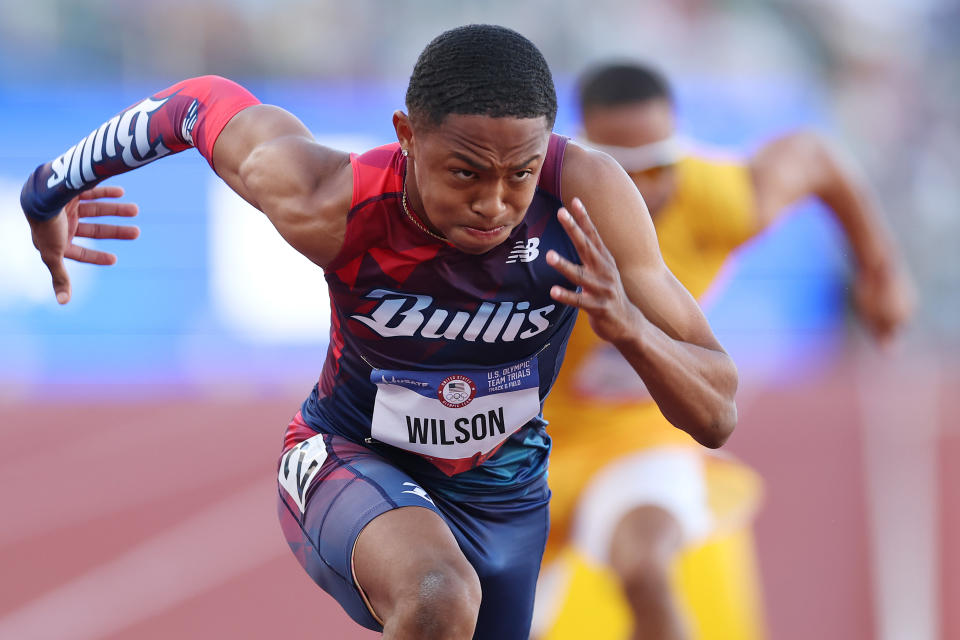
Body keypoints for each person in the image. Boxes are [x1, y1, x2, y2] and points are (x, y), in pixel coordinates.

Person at [19, 27, 739, 640]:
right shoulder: (327, 199)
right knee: (438, 596)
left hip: (505, 488)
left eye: (519, 174)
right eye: (465, 172)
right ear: (406, 135)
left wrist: (631, 330)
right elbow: (196, 105)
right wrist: (49, 189)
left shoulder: (587, 195)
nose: (494, 204)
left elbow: (715, 413)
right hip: (350, 456)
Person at [534, 62, 915, 640]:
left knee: (648, 572)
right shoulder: (536, 214)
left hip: (636, 439)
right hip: (520, 440)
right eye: (620, 170)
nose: (643, 190)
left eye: (659, 165)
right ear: (585, 157)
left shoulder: (715, 198)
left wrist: (879, 269)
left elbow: (815, 157)